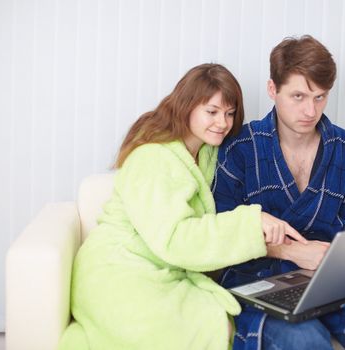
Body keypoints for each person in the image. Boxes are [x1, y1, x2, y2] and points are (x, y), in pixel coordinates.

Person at [58, 63, 307, 350]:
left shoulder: (209, 152)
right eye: (211, 112)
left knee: (219, 323)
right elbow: (174, 237)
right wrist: (252, 223)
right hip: (119, 270)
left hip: (167, 271)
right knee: (203, 328)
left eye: (229, 113)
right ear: (187, 107)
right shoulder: (152, 157)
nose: (223, 123)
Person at [213, 36, 345, 350]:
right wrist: (286, 251)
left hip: (330, 281)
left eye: (320, 97)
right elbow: (219, 230)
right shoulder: (241, 148)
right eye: (298, 96)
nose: (310, 110)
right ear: (272, 90)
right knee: (304, 338)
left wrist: (335, 263)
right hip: (260, 279)